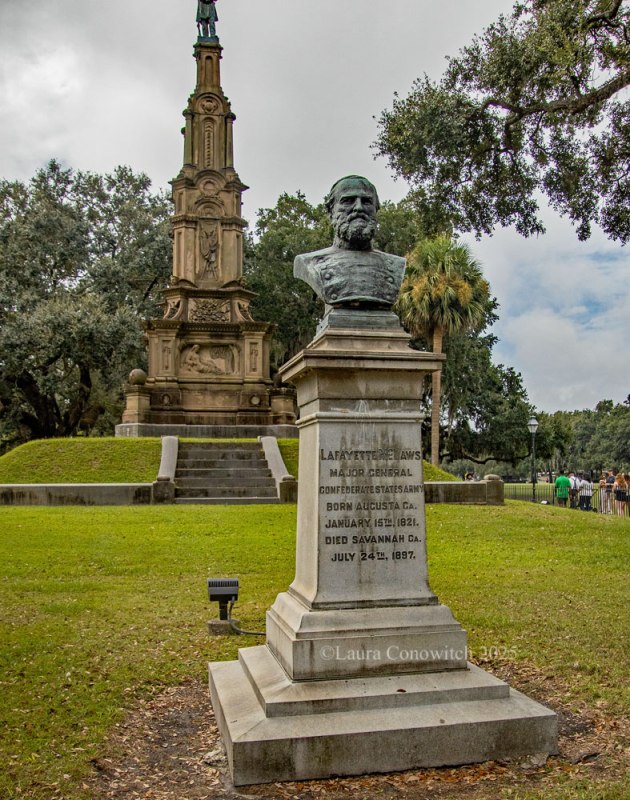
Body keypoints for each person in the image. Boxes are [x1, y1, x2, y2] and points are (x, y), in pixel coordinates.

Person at [293, 176, 406, 311]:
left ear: (376, 210)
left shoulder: (396, 265)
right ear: (331, 212)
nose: (358, 208)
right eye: (348, 201)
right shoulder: (309, 262)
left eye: (367, 202)